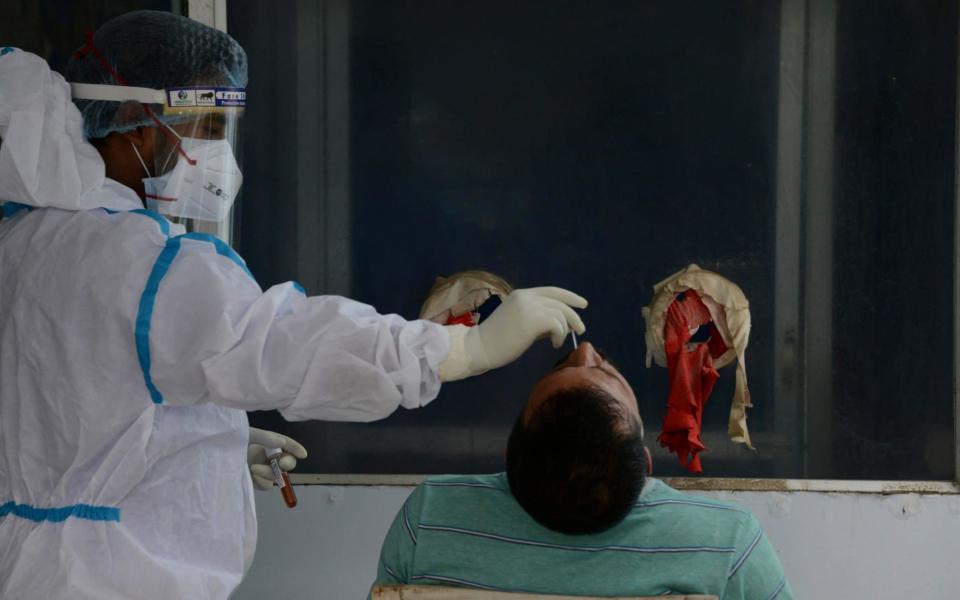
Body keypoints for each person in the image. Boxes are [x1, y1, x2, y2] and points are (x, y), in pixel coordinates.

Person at [0, 11, 586, 599]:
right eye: (202, 124)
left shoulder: (26, 238)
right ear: (133, 119)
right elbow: (283, 343)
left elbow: (70, 412)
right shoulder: (140, 261)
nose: (214, 147)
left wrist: (205, 441)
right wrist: (462, 348)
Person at [373, 342, 793, 599]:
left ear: (511, 457)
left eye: (566, 366)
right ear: (642, 465)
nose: (585, 348)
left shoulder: (432, 520)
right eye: (601, 370)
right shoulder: (727, 544)